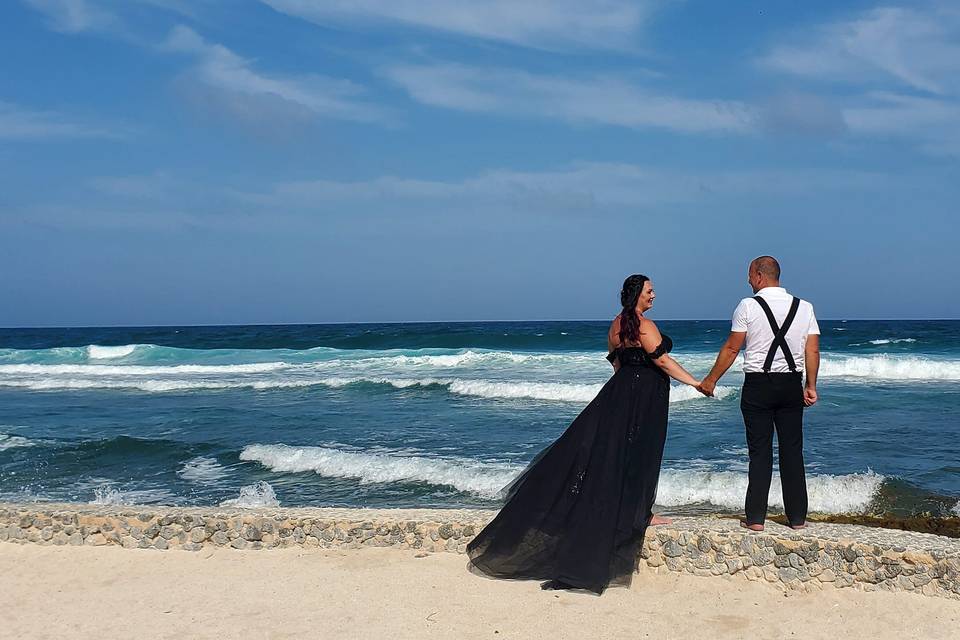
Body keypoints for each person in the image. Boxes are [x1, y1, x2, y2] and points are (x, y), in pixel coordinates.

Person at [466, 274, 705, 593]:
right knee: (641, 454)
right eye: (650, 291)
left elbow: (617, 366)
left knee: (618, 455)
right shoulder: (644, 325)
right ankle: (640, 516)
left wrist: (627, 391)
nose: (654, 295)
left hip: (620, 394)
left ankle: (639, 513)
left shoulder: (615, 326)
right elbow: (662, 361)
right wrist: (697, 383)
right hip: (645, 397)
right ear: (637, 294)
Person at [698, 256, 820, 531]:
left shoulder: (748, 306)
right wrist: (810, 386)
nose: (748, 280)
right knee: (792, 451)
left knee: (759, 451)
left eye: (750, 275)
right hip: (791, 384)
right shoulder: (805, 308)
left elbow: (732, 348)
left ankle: (755, 519)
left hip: (758, 385)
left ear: (760, 275)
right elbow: (811, 350)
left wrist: (711, 380)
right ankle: (797, 518)